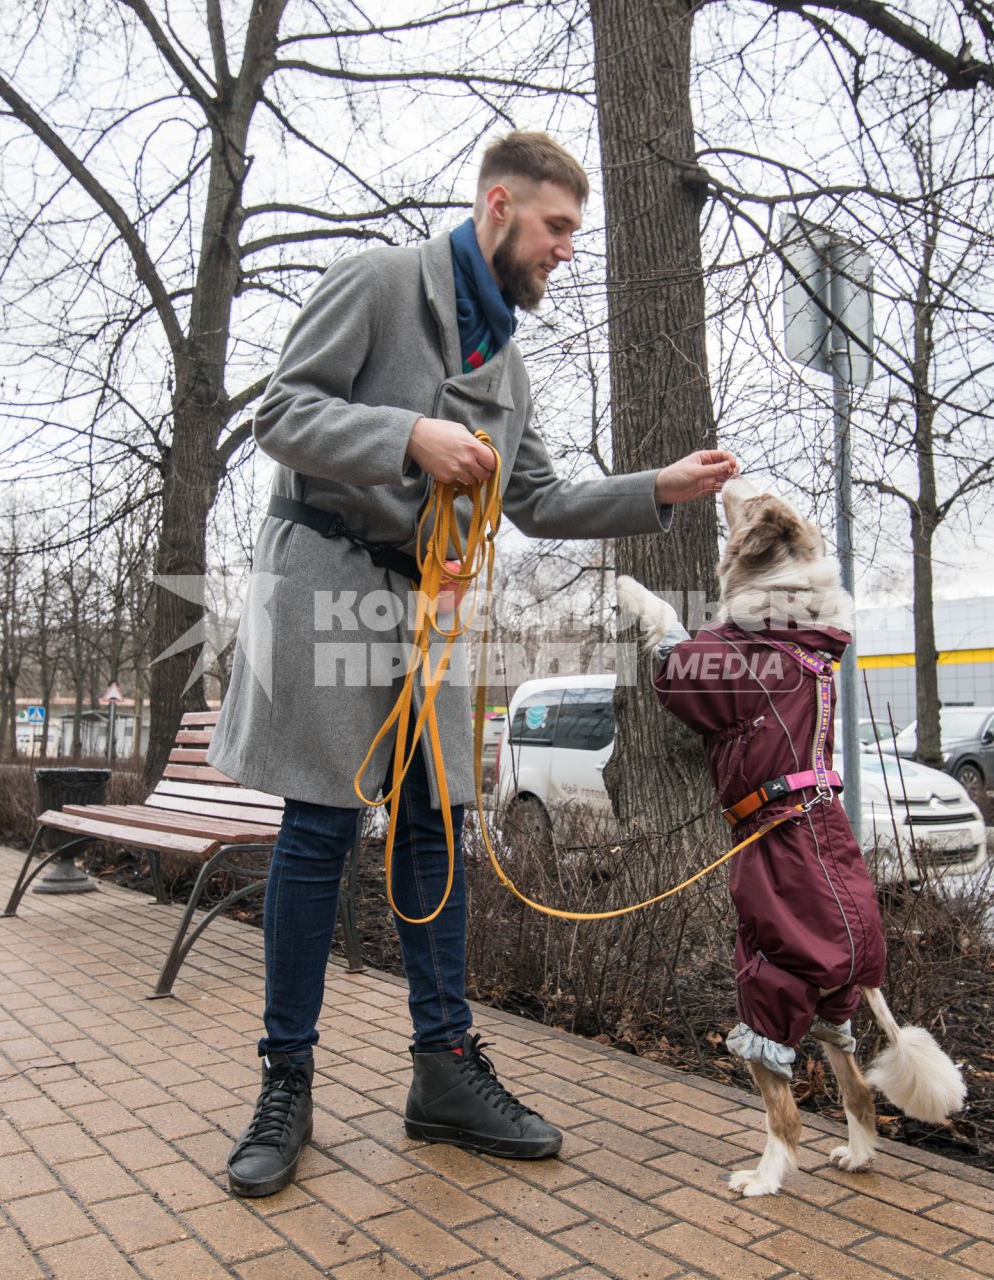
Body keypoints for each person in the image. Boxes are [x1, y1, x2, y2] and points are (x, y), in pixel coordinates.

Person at [211, 131, 740, 1199]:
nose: (564, 251)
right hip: (326, 578)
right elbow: (282, 414)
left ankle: (445, 1073)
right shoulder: (377, 282)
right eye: (555, 228)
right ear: (499, 206)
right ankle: (286, 1082)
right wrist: (411, 436)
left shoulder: (508, 359)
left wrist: (659, 489)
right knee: (319, 828)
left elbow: (537, 498)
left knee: (438, 828)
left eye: (573, 235)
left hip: (434, 604)